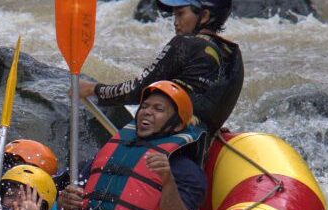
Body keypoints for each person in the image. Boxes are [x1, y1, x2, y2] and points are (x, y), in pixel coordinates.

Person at [58, 81, 207, 210]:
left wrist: (168, 180)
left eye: (158, 109)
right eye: (144, 106)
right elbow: (72, 194)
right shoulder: (112, 150)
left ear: (177, 125)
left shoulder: (184, 168)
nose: (147, 112)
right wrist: (66, 200)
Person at [79, 0, 242, 135]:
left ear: (205, 16)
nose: (175, 21)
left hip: (171, 141)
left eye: (180, 14)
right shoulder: (232, 53)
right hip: (201, 142)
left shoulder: (185, 44)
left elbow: (138, 90)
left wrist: (94, 89)